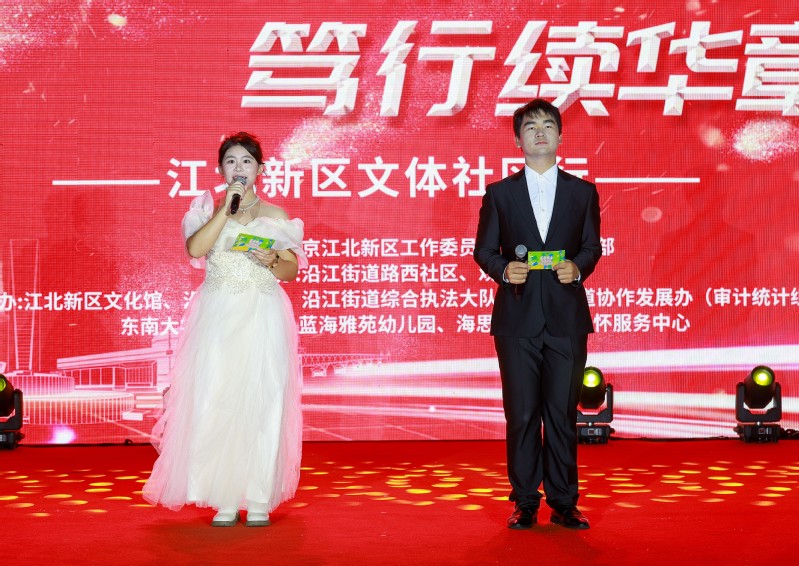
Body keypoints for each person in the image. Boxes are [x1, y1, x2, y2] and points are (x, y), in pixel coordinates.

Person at [143, 132, 307, 527]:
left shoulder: (275, 215)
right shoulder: (205, 212)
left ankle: (259, 497)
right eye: (231, 162)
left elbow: (291, 270)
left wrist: (271, 259)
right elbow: (196, 250)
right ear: (221, 169)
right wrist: (225, 210)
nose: (239, 168)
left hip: (262, 314)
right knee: (216, 401)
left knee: (264, 401)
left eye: (246, 161)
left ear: (260, 169)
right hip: (217, 318)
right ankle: (225, 497)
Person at [474, 99, 601, 530]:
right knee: (523, 414)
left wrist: (577, 267)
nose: (540, 132)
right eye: (530, 127)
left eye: (548, 125)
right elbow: (484, 249)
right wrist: (502, 269)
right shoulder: (500, 193)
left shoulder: (582, 192)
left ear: (561, 136)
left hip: (566, 318)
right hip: (517, 318)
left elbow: (591, 246)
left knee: (562, 414)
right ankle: (525, 500)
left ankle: (564, 502)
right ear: (518, 140)